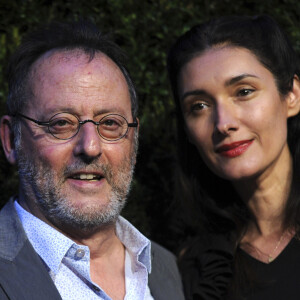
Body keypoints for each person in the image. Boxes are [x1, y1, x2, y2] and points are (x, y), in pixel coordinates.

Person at [0, 20, 185, 300]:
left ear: (133, 138)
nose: (90, 146)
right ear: (10, 140)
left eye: (110, 123)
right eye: (61, 123)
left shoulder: (164, 268)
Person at [167, 15, 300, 300]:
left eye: (244, 92)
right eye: (199, 106)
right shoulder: (196, 272)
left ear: (291, 95)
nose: (223, 123)